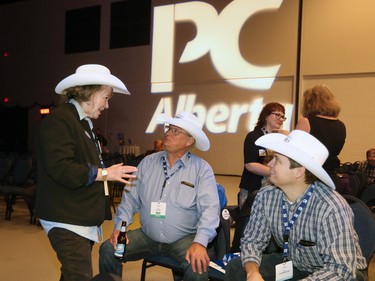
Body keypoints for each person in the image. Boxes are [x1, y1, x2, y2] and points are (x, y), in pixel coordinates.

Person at [35, 64, 138, 281]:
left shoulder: (81, 121)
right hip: (66, 219)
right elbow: (61, 168)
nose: (107, 105)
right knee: (79, 275)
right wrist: (105, 174)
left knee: (72, 274)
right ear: (89, 92)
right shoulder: (61, 119)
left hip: (80, 218)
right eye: (106, 97)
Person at [224, 130, 368, 281]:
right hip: (297, 264)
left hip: (342, 273)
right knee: (237, 268)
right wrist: (253, 272)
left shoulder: (330, 207)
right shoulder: (265, 196)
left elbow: (341, 270)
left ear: (299, 171)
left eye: (277, 160)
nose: (269, 164)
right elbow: (252, 240)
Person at [99, 111, 221, 281]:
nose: (168, 133)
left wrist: (200, 242)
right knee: (108, 250)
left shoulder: (201, 169)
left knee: (197, 266)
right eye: (168, 128)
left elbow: (210, 210)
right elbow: (129, 200)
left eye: (175, 131)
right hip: (147, 236)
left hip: (183, 239)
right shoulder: (147, 163)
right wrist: (121, 227)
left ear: (189, 140)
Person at [231, 102, 287, 252]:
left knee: (270, 226)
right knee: (248, 225)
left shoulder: (280, 138)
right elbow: (250, 165)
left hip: (275, 190)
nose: (281, 119)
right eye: (277, 115)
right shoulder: (253, 136)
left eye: (283, 116)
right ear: (266, 116)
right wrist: (275, 172)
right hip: (252, 189)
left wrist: (287, 140)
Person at [295, 84, 346, 174]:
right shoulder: (341, 125)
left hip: (310, 174)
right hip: (332, 174)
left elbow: (295, 153)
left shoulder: (306, 122)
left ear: (309, 103)